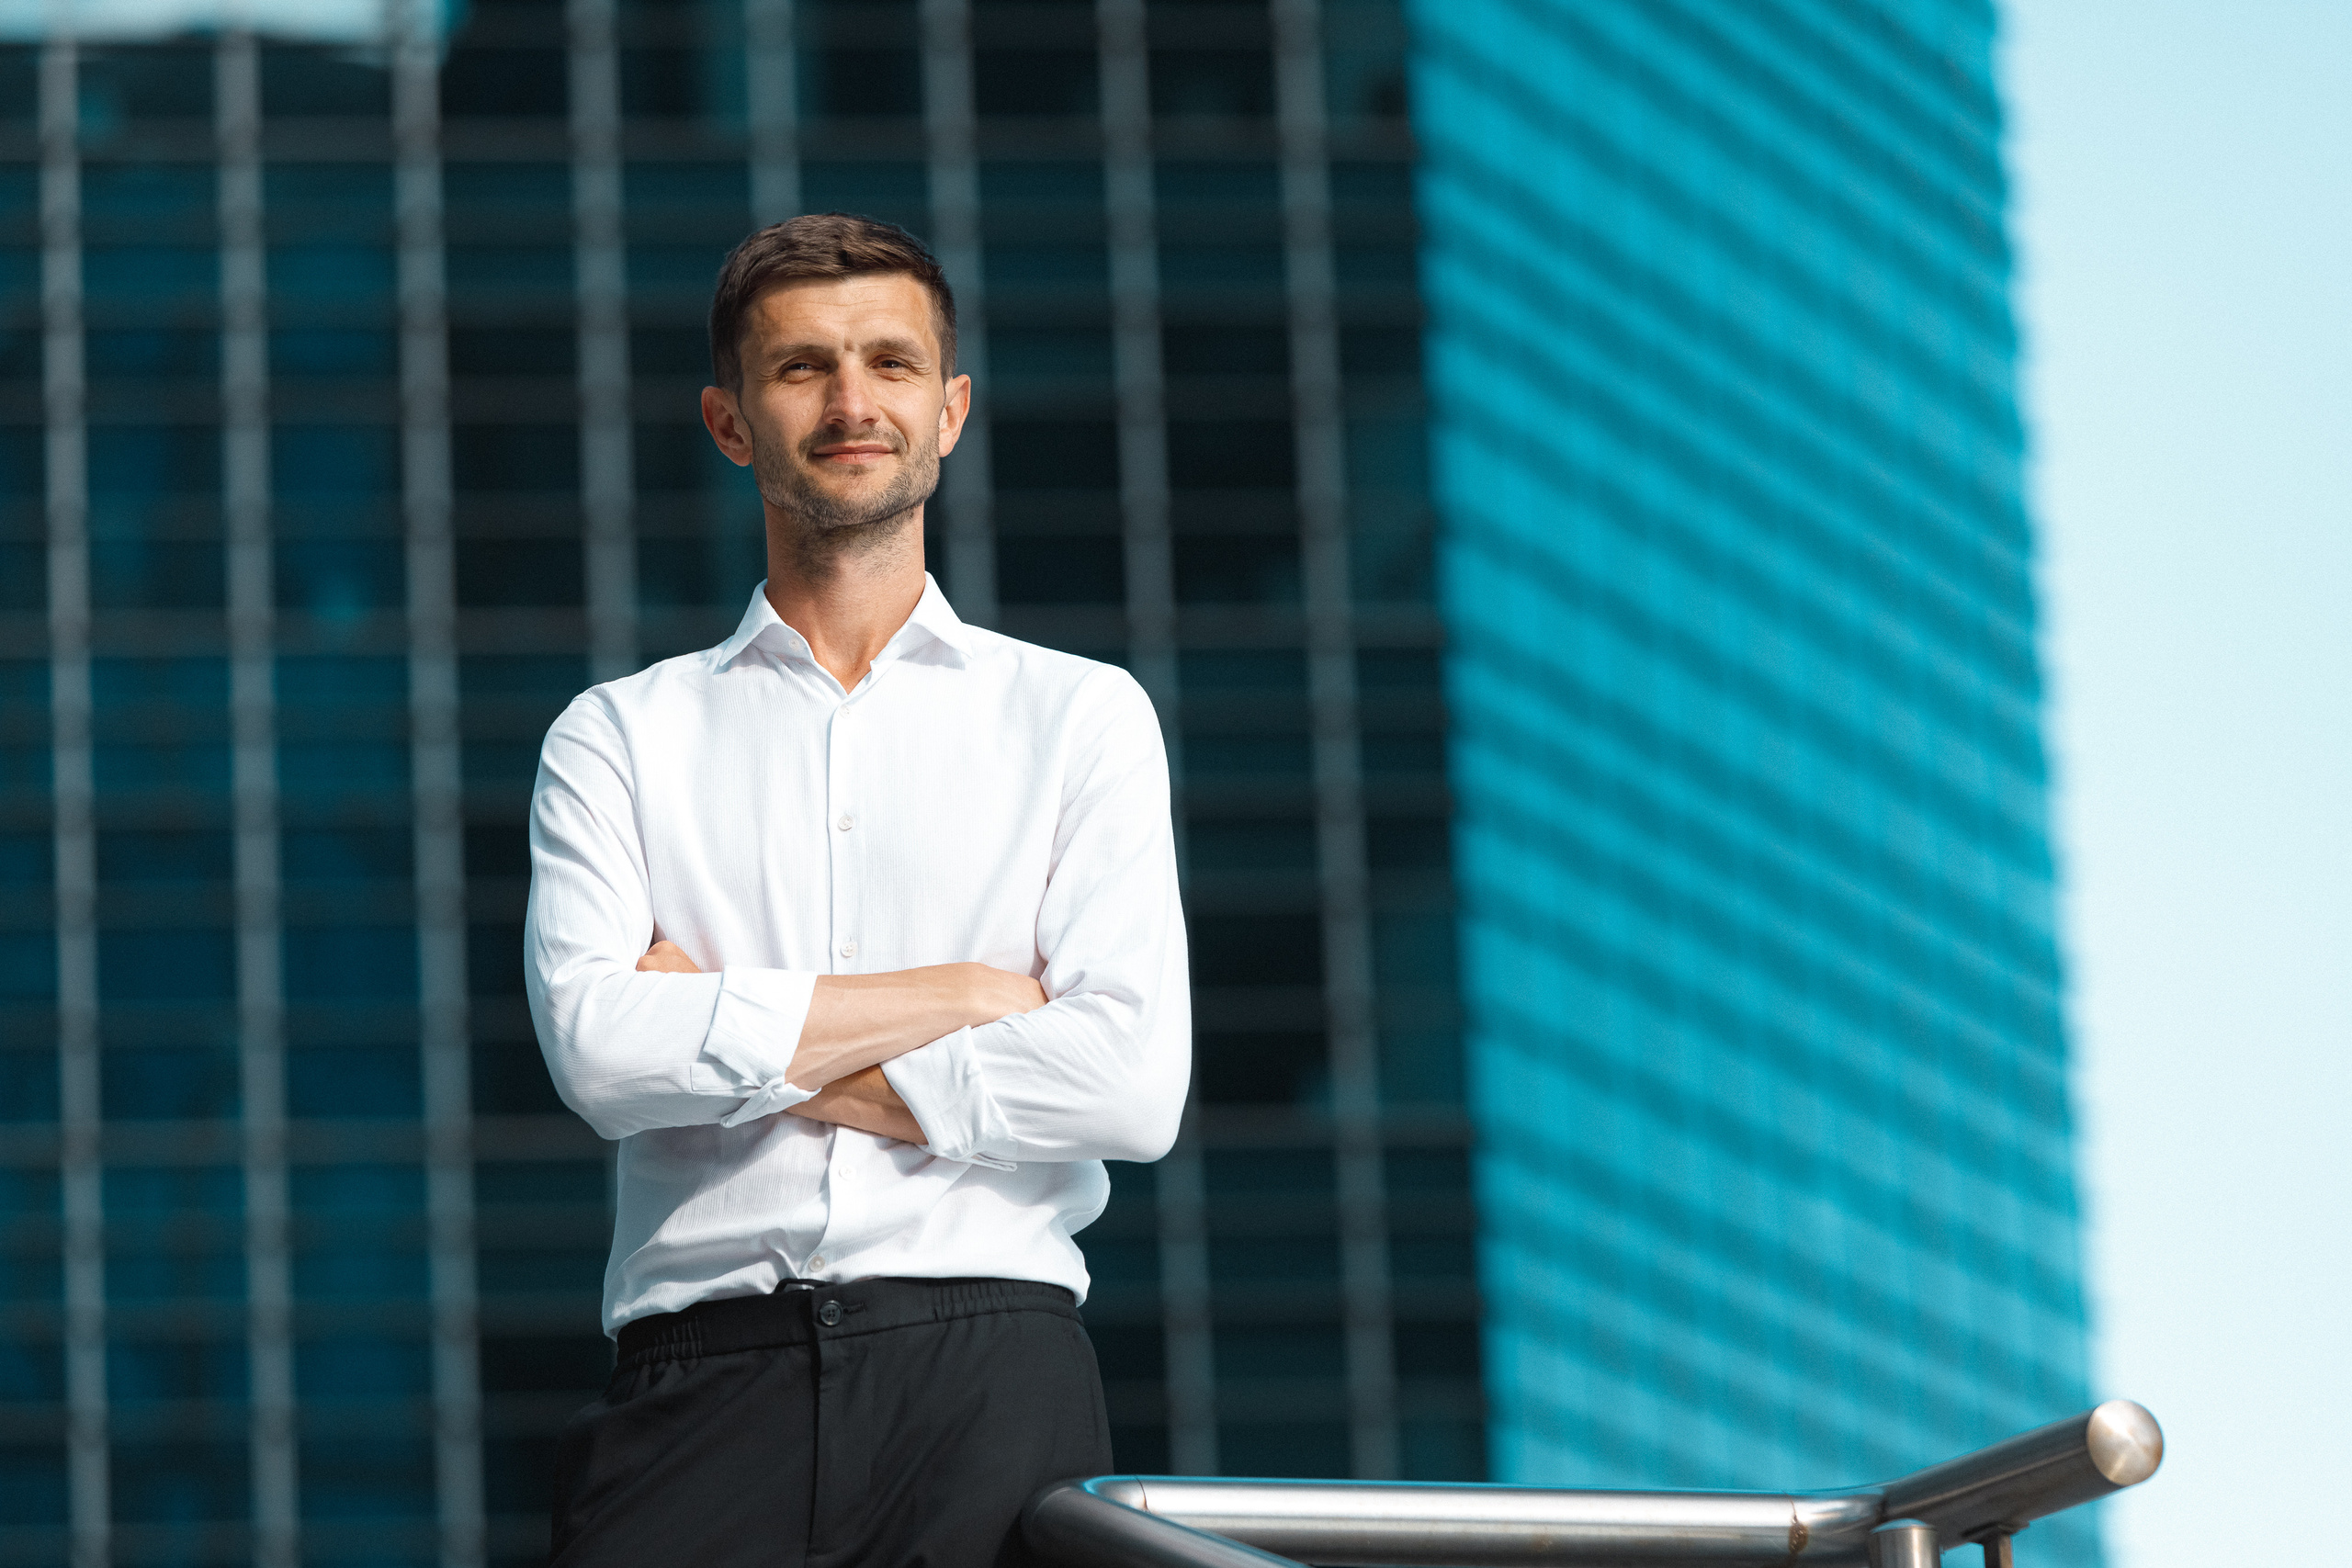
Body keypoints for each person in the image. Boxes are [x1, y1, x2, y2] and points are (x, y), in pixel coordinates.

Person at [523, 212, 1190, 1567]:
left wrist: (729, 1034)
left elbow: (1129, 1085)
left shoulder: (1080, 717)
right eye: (801, 369)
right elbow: (599, 1053)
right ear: (728, 421)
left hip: (991, 1375)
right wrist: (956, 998)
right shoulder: (620, 735)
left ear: (949, 413)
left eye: (891, 364)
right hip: (697, 1385)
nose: (850, 402)